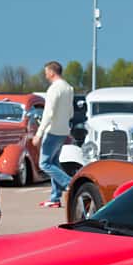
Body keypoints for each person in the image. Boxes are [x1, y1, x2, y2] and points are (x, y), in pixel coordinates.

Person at [35, 60, 73, 208]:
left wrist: (39, 133)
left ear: (52, 72)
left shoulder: (53, 89)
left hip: (52, 131)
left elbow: (48, 113)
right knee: (54, 163)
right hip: (63, 131)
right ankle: (55, 198)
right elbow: (70, 112)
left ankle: (69, 183)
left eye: (46, 73)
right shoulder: (69, 88)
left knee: (44, 164)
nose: (45, 76)